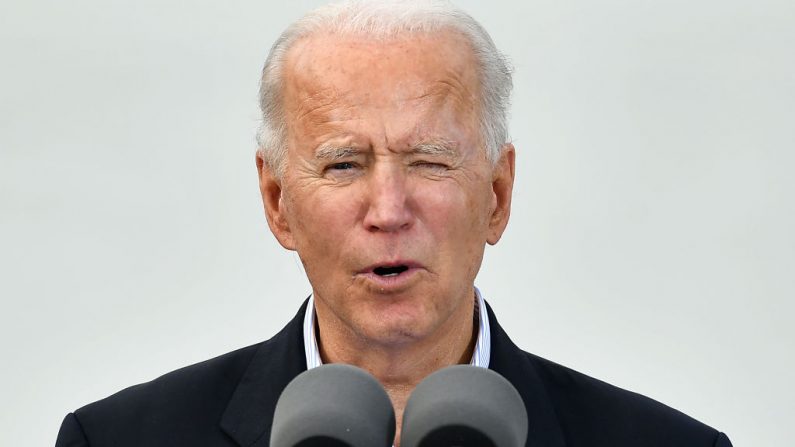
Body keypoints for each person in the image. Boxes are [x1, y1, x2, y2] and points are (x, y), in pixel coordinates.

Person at [55, 1, 732, 446]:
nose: (388, 209)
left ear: (496, 194)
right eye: (344, 164)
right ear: (276, 201)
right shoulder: (119, 438)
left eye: (429, 162)